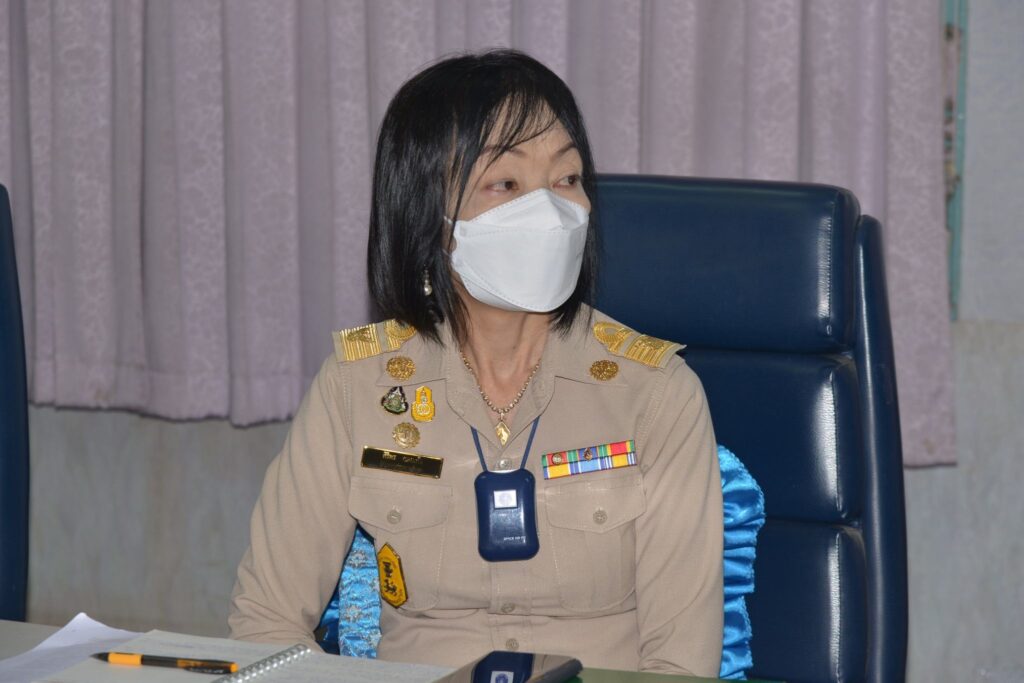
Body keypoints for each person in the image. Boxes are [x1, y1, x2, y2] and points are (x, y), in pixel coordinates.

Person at [229, 49, 723, 677]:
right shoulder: (358, 387)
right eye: (506, 185)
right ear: (429, 217)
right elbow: (266, 623)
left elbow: (682, 662)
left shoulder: (656, 393)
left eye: (567, 179)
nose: (550, 213)